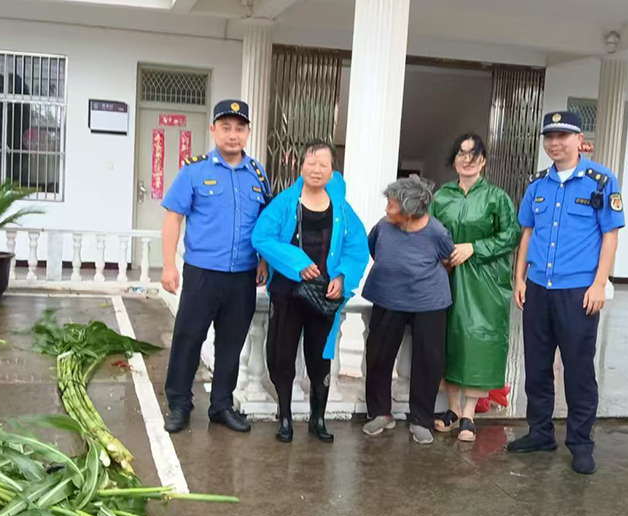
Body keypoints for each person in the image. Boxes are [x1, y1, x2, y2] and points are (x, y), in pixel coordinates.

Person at [507, 111, 625, 475]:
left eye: (562, 136)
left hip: (578, 292)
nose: (555, 143)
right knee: (537, 367)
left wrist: (600, 283)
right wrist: (520, 278)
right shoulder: (537, 184)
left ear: (578, 139)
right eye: (549, 137)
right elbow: (527, 233)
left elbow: (610, 235)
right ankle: (540, 432)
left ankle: (580, 442)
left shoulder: (601, 181)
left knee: (577, 369)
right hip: (539, 289)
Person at [160, 100, 271, 434]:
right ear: (213, 130)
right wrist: (168, 265)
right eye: (226, 127)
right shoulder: (195, 170)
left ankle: (221, 405)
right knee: (188, 338)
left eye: (240, 128)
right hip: (202, 273)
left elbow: (266, 223)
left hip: (242, 276)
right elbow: (172, 217)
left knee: (231, 343)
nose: (233, 135)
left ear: (248, 132)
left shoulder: (258, 173)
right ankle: (179, 404)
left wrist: (264, 260)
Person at [252, 141, 369, 444]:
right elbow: (261, 237)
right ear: (300, 165)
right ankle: (285, 418)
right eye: (311, 162)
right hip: (287, 293)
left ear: (332, 170)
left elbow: (358, 247)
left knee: (320, 359)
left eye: (324, 164)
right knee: (282, 354)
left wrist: (343, 277)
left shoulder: (341, 207)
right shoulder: (284, 202)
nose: (316, 169)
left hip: (324, 297)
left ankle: (318, 419)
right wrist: (297, 263)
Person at [430, 134, 519, 442]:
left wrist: (475, 247)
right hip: (447, 276)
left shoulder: (496, 197)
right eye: (461, 154)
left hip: (485, 280)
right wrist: (441, 256)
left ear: (482, 160)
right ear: (454, 160)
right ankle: (452, 409)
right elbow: (427, 232)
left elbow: (511, 235)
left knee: (477, 342)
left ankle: (469, 413)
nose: (466, 159)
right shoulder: (441, 197)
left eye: (473, 154)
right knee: (447, 340)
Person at [362, 176, 454, 445]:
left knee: (428, 360)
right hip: (387, 297)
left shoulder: (436, 232)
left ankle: (421, 418)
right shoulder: (383, 226)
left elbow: (448, 259)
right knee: (378, 355)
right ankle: (380, 413)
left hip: (429, 302)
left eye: (391, 205)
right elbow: (374, 249)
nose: (386, 209)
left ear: (410, 211)